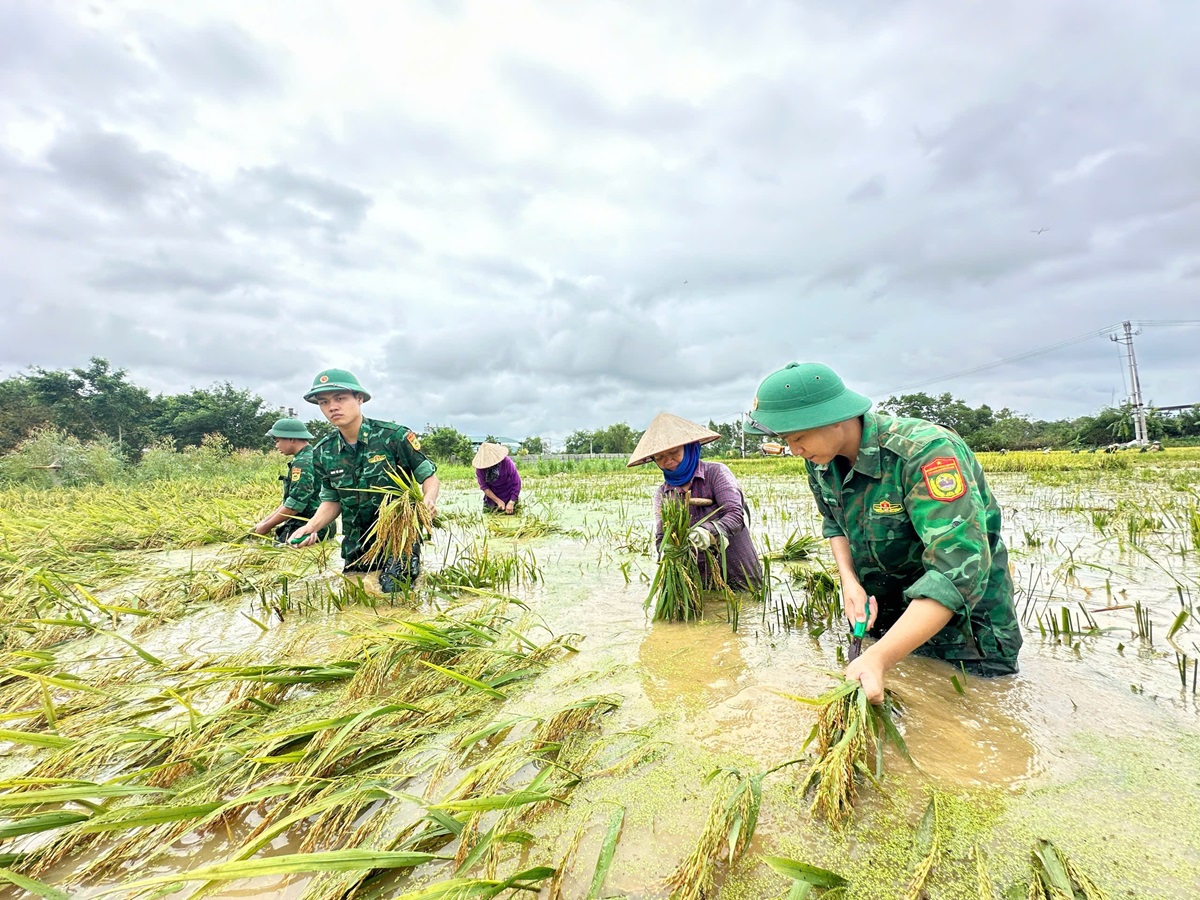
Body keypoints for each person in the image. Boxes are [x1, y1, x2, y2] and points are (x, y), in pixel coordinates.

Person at [744, 362, 1022, 702]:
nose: (794, 450)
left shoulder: (924, 452)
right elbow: (834, 522)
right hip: (889, 619)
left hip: (965, 637)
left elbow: (957, 571)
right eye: (786, 441)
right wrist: (849, 581)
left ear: (834, 416)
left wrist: (879, 657)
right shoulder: (820, 460)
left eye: (798, 437)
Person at [289, 369, 440, 592]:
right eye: (324, 402)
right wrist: (310, 527)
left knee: (394, 593)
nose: (332, 407)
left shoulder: (393, 437)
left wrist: (428, 500)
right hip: (356, 543)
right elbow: (332, 501)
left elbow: (428, 476)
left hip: (397, 539)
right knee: (354, 590)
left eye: (340, 399)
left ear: (359, 398)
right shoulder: (323, 451)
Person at [627, 412, 762, 591]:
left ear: (690, 448)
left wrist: (707, 532)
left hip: (739, 575)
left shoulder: (716, 474)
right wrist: (668, 550)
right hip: (698, 584)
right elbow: (661, 537)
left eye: (674, 452)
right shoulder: (664, 494)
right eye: (659, 458)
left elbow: (735, 516)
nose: (668, 461)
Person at [252, 417, 334, 544]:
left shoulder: (302, 463)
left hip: (306, 526)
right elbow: (290, 501)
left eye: (277, 441)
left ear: (291, 439)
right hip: (322, 524)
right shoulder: (312, 456)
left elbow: (295, 505)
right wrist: (265, 521)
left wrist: (268, 526)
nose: (276, 445)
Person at [473, 442, 521, 513]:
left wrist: (512, 501)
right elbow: (484, 487)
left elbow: (517, 482)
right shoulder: (480, 469)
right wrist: (497, 501)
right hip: (491, 498)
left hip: (509, 495)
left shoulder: (506, 462)